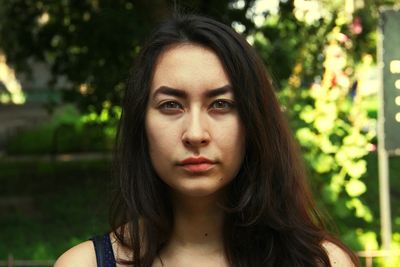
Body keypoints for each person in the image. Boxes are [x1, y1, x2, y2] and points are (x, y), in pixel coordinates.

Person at [55, 14, 360, 267]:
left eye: (221, 104)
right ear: (141, 123)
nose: (196, 133)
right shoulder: (84, 264)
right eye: (171, 105)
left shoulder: (322, 262)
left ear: (253, 121)